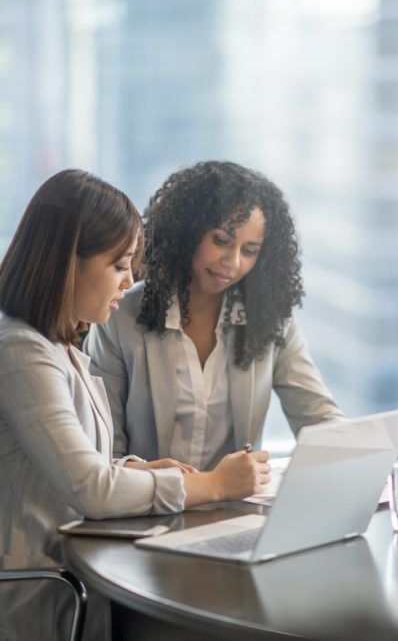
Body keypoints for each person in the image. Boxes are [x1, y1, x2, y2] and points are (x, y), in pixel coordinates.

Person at [0, 169, 270, 641]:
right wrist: (213, 485)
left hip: (63, 580)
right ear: (67, 264)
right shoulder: (20, 355)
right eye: (118, 265)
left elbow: (81, 466)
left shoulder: (56, 345)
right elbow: (92, 489)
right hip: (28, 604)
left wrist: (139, 470)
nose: (129, 281)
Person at [85, 160, 344, 471]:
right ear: (189, 233)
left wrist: (367, 449)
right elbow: (102, 451)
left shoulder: (272, 320)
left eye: (249, 251)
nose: (232, 263)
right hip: (147, 512)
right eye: (221, 241)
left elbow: (317, 415)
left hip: (235, 513)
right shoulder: (119, 317)